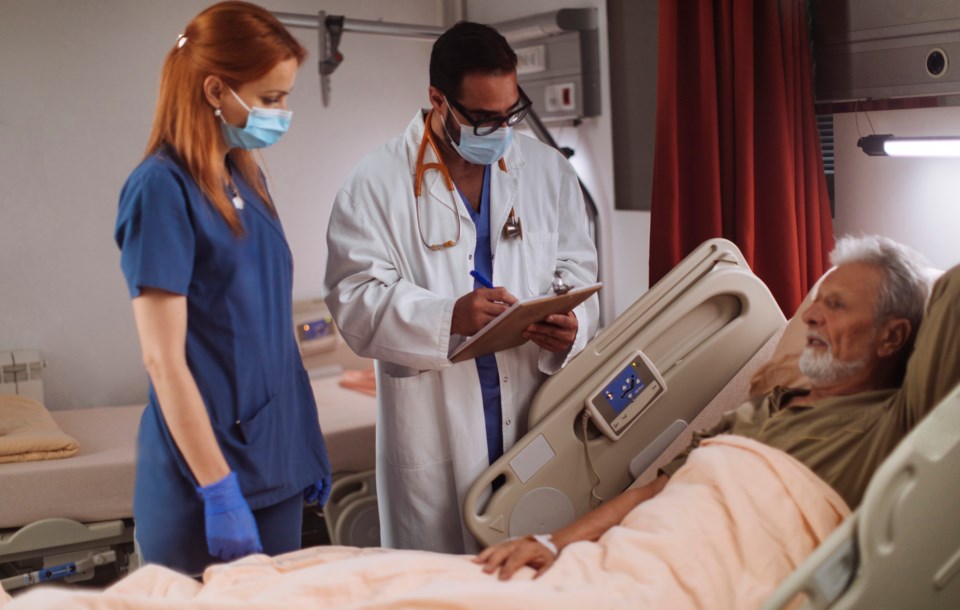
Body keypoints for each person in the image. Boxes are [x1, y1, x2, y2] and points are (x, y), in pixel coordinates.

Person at [478, 235, 960, 579]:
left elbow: (952, 296)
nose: (811, 312)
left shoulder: (889, 420)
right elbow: (652, 492)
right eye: (820, 300)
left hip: (711, 575)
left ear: (893, 336)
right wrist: (551, 543)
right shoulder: (763, 406)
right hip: (640, 548)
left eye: (836, 306)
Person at [323, 21, 599, 553]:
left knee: (537, 574)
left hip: (533, 406)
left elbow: (576, 270)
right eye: (484, 118)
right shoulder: (374, 184)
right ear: (437, 99)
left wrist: (572, 325)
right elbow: (354, 300)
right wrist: (448, 316)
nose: (502, 130)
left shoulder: (545, 170)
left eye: (511, 113)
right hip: (436, 421)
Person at [114, 1, 332, 575]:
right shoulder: (160, 190)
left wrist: (304, 442)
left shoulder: (247, 175)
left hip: (275, 462)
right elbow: (164, 362)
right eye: (270, 98)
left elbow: (269, 334)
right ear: (216, 90)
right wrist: (218, 491)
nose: (282, 113)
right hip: (206, 482)